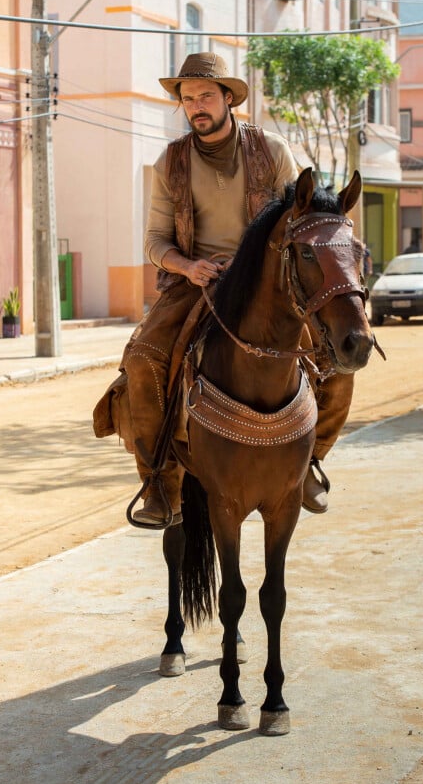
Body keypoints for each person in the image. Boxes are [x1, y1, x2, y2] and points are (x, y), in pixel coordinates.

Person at [94, 52, 357, 527]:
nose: (196, 105)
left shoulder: (272, 150)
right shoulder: (168, 162)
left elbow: (295, 220)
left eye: (206, 96)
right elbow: (154, 240)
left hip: (267, 283)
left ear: (229, 99)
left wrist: (249, 260)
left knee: (337, 357)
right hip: (195, 284)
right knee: (142, 361)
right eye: (188, 98)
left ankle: (310, 461)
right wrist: (187, 265)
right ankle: (159, 483)